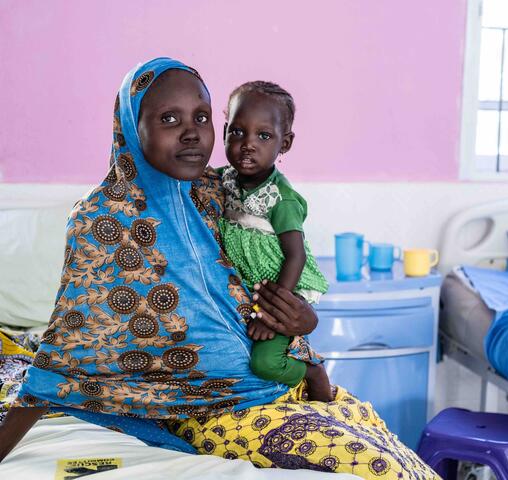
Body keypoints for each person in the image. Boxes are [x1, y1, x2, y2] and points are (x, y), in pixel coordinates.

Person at [0, 58, 439, 480]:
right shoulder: (103, 221)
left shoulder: (218, 195)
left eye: (202, 118)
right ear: (132, 128)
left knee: (400, 459)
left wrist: (304, 320)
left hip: (281, 377)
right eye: (170, 120)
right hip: (208, 405)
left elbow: (263, 284)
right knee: (375, 467)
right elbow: (67, 346)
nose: (192, 134)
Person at [217, 81, 331, 402]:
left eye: (264, 136)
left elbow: (295, 256)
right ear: (225, 131)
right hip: (244, 288)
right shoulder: (224, 180)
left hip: (279, 290)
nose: (248, 145)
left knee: (265, 363)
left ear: (286, 143)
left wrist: (271, 314)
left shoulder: (280, 199)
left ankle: (311, 370)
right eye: (237, 132)